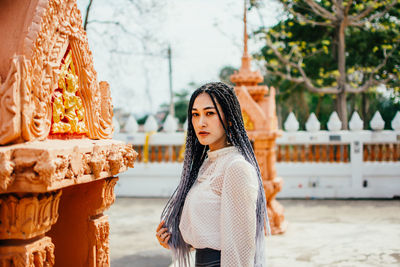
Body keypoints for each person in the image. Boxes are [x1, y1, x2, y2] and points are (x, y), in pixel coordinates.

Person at [156, 82, 270, 267]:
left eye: (210, 113)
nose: (201, 122)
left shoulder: (236, 168)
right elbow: (210, 233)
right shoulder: (206, 165)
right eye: (195, 114)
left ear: (230, 119)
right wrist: (174, 240)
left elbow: (240, 251)